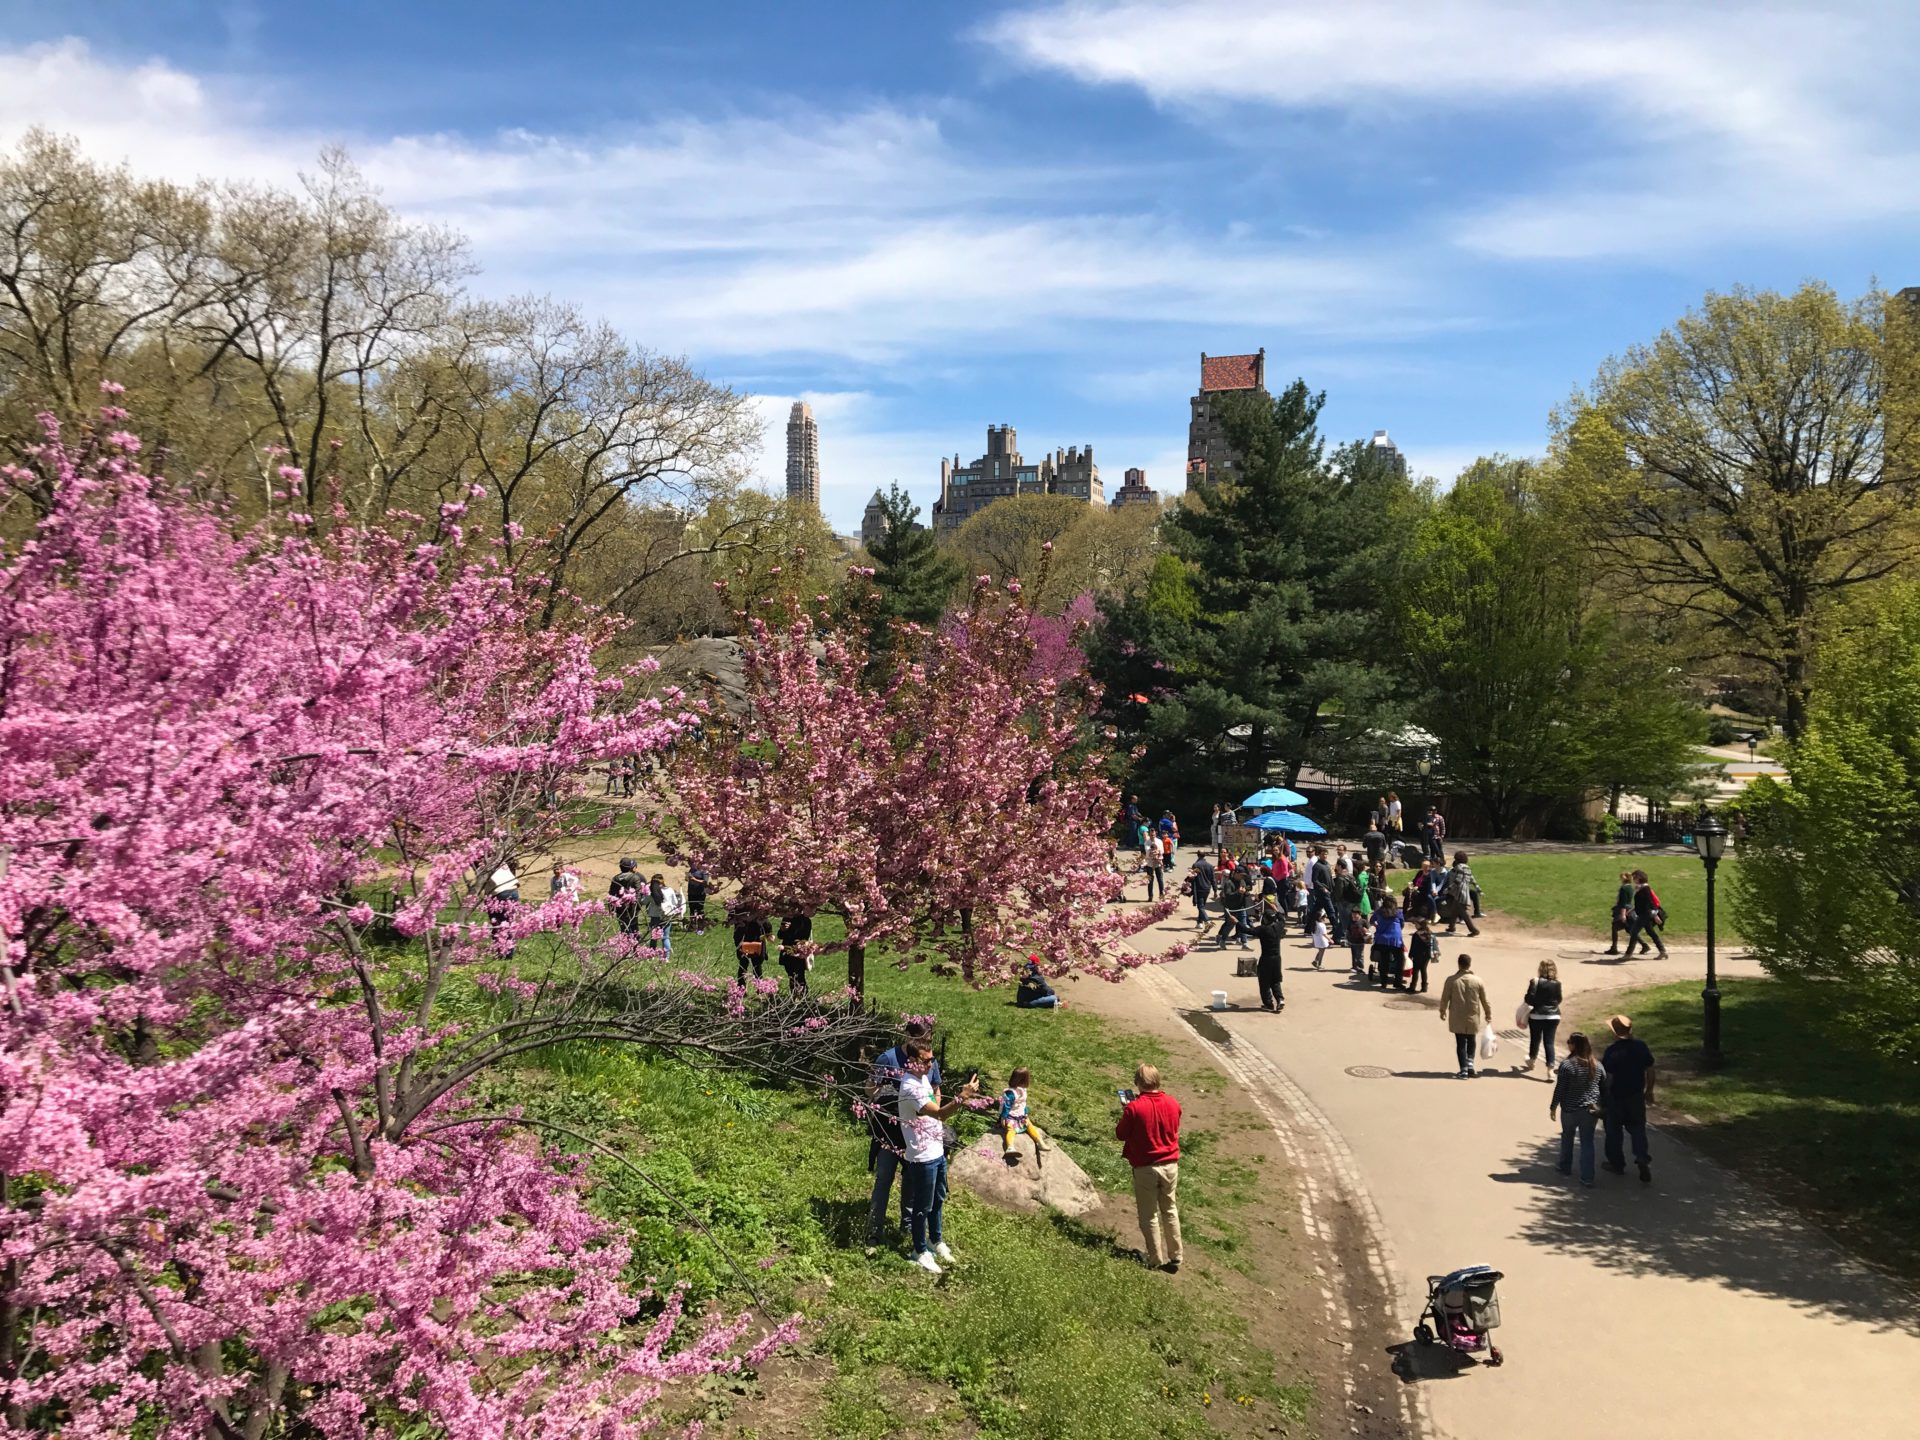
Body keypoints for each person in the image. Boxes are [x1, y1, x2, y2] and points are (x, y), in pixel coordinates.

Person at [898, 1042, 980, 1273]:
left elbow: (937, 1116)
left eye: (932, 1059)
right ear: (911, 1061)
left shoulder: (923, 1078)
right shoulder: (910, 1087)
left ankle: (935, 1239)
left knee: (938, 1199)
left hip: (936, 1150)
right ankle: (919, 1250)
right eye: (925, 1060)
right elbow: (941, 1113)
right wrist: (963, 1096)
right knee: (922, 1206)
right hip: (922, 1157)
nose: (930, 1064)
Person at [867, 1021, 941, 1245]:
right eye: (919, 1038)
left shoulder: (929, 1061)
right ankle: (874, 1229)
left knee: (910, 1181)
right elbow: (869, 1087)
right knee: (884, 1178)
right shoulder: (888, 1059)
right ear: (907, 1036)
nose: (924, 1044)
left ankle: (907, 1226)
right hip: (890, 1132)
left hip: (917, 1134)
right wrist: (887, 1094)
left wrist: (932, 1115)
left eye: (928, 1038)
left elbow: (936, 1090)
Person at [1116, 1064, 1183, 1273]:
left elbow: (1121, 1134)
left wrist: (1126, 1111)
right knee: (1170, 1209)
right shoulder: (1173, 1103)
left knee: (1149, 1215)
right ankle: (1176, 1256)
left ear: (1138, 1083)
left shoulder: (1134, 1108)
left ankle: (1154, 1259)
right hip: (1171, 1165)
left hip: (1146, 1167)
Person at [1601, 1014, 1656, 1183]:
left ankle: (1617, 1164)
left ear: (1615, 1033)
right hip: (1635, 1095)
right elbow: (1650, 1070)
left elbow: (1608, 1078)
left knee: (1613, 1132)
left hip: (1616, 1097)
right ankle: (1641, 1157)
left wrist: (1603, 1096)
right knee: (1638, 1129)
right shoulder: (1641, 1047)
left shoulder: (1612, 1051)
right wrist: (1649, 1090)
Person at [1549, 1032, 1608, 1186]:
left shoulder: (1567, 1065)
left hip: (1569, 1108)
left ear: (1574, 1045)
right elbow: (1604, 1085)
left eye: (1569, 1042)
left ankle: (1565, 1166)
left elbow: (1560, 1089)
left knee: (1567, 1137)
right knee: (1587, 1142)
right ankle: (1587, 1177)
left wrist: (1553, 1106)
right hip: (1590, 1110)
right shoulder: (1597, 1064)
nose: (1568, 1043)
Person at [1439, 954, 1493, 1079]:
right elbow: (1485, 1000)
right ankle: (1470, 1066)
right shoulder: (1478, 981)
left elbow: (1444, 998)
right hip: (1472, 1016)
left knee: (1461, 1043)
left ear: (1459, 964)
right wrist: (1488, 1014)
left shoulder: (1451, 980)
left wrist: (1442, 1011)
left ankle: (1463, 1070)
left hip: (1457, 1016)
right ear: (1470, 964)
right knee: (1472, 1040)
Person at [998, 1065, 1051, 1165]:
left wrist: (1026, 1112)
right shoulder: (1011, 1093)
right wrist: (1003, 1118)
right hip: (1010, 1116)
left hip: (1021, 1115)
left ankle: (1040, 1142)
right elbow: (1006, 1106)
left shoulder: (1023, 1090)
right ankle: (1010, 1147)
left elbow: (1023, 1103)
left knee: (1030, 1125)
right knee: (1011, 1130)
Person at [1522, 959, 1563, 1071]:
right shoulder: (1558, 983)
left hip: (1537, 1015)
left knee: (1535, 1039)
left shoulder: (1535, 981)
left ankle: (1532, 1060)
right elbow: (1559, 999)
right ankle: (1550, 1070)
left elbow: (1529, 999)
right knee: (1549, 1042)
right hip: (1553, 1016)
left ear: (1540, 968)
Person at [1625, 870, 1668, 958]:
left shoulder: (1645, 888)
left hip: (1645, 914)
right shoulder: (1640, 888)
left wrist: (1655, 915)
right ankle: (1662, 951)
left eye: (1635, 877)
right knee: (1651, 932)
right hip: (1643, 914)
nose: (1633, 879)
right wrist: (1632, 910)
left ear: (1639, 878)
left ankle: (1628, 954)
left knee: (1633, 932)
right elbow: (1641, 902)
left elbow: (1650, 902)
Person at [1255, 900, 1285, 1010]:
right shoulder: (1279, 927)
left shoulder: (1263, 929)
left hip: (1266, 959)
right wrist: (1277, 911)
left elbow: (1247, 930)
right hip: (1277, 958)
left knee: (1264, 982)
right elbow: (1282, 919)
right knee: (1275, 980)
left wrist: (1236, 922)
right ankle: (1280, 999)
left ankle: (1268, 1004)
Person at [1443, 852, 1481, 938]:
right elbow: (1472, 880)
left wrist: (1448, 889)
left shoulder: (1459, 867)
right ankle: (1451, 927)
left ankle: (1474, 930)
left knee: (1463, 912)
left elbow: (1458, 880)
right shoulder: (1467, 868)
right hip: (1464, 891)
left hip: (1460, 893)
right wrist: (1478, 889)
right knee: (1454, 909)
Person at [1372, 896, 1406, 987]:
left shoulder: (1379, 912)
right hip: (1395, 940)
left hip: (1382, 939)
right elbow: (1402, 925)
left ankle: (1383, 982)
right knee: (1400, 960)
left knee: (1384, 960)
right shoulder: (1398, 912)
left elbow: (1372, 920)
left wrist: (1378, 926)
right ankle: (1397, 982)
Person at [777, 912, 813, 995]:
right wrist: (783, 930)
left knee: (799, 975)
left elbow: (804, 937)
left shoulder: (805, 920)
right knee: (791, 975)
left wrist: (790, 929)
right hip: (786, 952)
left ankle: (804, 996)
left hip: (799, 952)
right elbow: (780, 935)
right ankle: (794, 996)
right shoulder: (787, 918)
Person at [608, 857, 644, 938]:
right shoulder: (635, 877)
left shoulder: (615, 878)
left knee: (623, 928)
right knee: (634, 927)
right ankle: (635, 946)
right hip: (632, 906)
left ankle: (625, 945)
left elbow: (611, 894)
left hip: (620, 906)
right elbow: (638, 893)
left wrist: (611, 908)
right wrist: (637, 906)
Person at [733, 909, 770, 984]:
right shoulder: (741, 912)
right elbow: (737, 927)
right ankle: (740, 989)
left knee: (757, 966)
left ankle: (760, 988)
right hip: (744, 941)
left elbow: (768, 929)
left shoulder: (760, 912)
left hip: (757, 941)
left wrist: (763, 921)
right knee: (743, 966)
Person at [1605, 869, 1633, 955]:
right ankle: (1644, 945)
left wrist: (1622, 914)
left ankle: (1614, 948)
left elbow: (1623, 902)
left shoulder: (1623, 888)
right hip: (1629, 909)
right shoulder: (1630, 888)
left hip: (1622, 910)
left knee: (1615, 927)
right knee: (1629, 929)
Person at [646, 873, 675, 954]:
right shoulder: (669, 890)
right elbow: (675, 902)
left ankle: (651, 954)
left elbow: (644, 901)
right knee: (666, 937)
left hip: (655, 916)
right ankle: (666, 956)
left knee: (654, 937)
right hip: (666, 915)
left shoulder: (651, 892)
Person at [1406, 915, 1436, 993]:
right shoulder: (1430, 933)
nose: (1415, 926)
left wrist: (1410, 956)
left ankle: (1412, 987)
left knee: (1415, 970)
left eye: (1416, 924)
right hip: (1427, 955)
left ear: (1420, 925)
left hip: (1418, 955)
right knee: (1423, 970)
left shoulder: (1417, 934)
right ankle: (1424, 987)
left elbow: (1413, 947)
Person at [1188, 854, 1215, 931]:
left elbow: (1192, 877)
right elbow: (1213, 879)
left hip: (1199, 888)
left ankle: (1207, 921)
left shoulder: (1196, 864)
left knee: (1200, 907)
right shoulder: (1210, 865)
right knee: (1202, 906)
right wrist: (1215, 890)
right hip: (1207, 888)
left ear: (1197, 855)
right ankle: (1199, 922)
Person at [685, 862, 713, 934]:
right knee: (691, 909)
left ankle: (701, 927)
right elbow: (688, 879)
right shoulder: (691, 870)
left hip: (700, 893)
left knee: (700, 910)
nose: (692, 864)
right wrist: (688, 878)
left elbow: (705, 882)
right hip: (691, 892)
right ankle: (692, 926)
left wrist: (694, 879)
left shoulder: (704, 871)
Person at [1140, 831, 1165, 901]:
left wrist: (1158, 852)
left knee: (1160, 879)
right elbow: (1147, 851)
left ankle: (1161, 895)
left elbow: (1162, 851)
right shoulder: (1147, 842)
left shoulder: (1159, 841)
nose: (1152, 836)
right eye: (1151, 835)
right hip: (1149, 863)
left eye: (1153, 835)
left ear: (1155, 834)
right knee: (1150, 880)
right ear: (1149, 835)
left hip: (1158, 862)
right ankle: (1150, 896)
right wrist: (1153, 852)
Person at [1345, 908, 1368, 975]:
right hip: (1352, 941)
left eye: (1355, 914)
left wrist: (1366, 931)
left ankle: (1360, 968)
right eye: (1353, 914)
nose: (1354, 916)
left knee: (1360, 955)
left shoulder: (1363, 921)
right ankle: (1354, 967)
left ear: (1359, 914)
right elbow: (1348, 931)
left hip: (1361, 941)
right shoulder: (1350, 922)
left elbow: (1369, 930)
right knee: (1354, 955)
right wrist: (1347, 939)